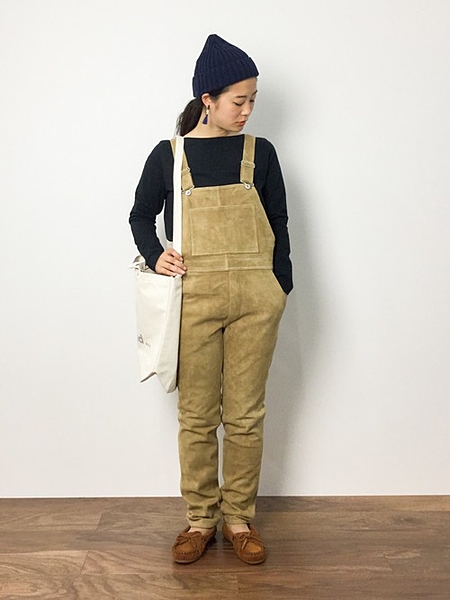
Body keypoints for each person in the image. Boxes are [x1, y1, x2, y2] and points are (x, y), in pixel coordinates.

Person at [129, 33, 293, 565]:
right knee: (197, 416)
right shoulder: (169, 156)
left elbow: (279, 223)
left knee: (245, 415)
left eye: (252, 101)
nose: (247, 111)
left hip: (255, 299)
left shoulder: (260, 154)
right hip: (193, 300)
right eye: (238, 101)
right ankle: (200, 519)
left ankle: (239, 519)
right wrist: (156, 254)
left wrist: (280, 287)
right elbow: (140, 217)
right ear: (207, 100)